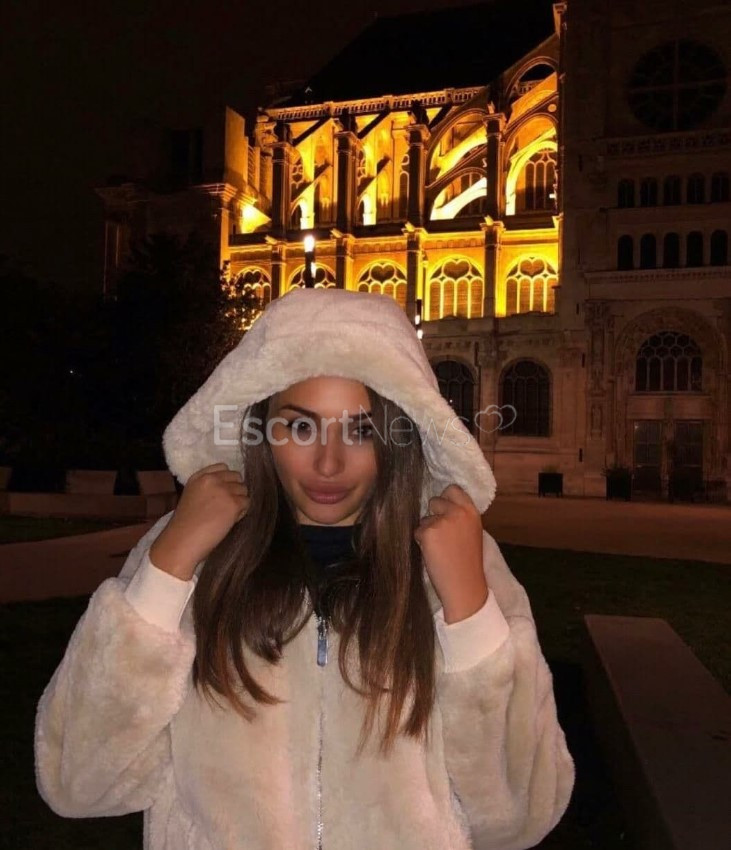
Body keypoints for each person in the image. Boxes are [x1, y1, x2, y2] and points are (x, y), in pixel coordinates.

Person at [34, 287, 575, 849]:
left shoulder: (461, 565)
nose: (328, 463)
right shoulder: (187, 556)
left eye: (362, 430)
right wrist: (168, 568)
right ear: (260, 430)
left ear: (400, 438)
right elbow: (78, 783)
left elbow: (519, 818)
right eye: (300, 427)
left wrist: (469, 612)